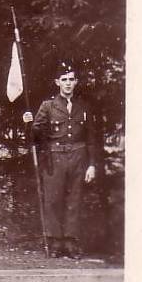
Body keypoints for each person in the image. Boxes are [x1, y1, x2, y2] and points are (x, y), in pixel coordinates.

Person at [23, 60, 98, 259]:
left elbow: (91, 138)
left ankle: (70, 242)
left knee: (74, 199)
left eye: (71, 79)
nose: (67, 83)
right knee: (53, 199)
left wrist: (91, 164)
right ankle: (55, 241)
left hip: (78, 157)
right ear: (57, 82)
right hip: (54, 157)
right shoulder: (48, 106)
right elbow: (35, 135)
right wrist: (28, 123)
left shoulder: (84, 107)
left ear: (76, 82)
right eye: (64, 79)